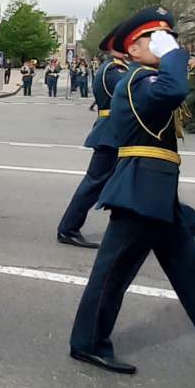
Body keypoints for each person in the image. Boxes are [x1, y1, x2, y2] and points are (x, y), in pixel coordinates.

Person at [69, 6, 195, 374]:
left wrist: (170, 52)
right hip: (139, 188)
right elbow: (175, 88)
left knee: (190, 266)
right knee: (113, 272)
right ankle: (87, 343)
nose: (166, 44)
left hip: (157, 187)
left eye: (168, 37)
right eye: (154, 38)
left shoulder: (149, 75)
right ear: (132, 49)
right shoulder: (137, 80)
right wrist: (175, 53)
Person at [56, 29, 127, 249]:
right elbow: (132, 97)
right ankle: (68, 228)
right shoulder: (114, 70)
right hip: (112, 132)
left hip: (119, 132)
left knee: (138, 180)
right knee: (94, 183)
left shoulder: (120, 68)